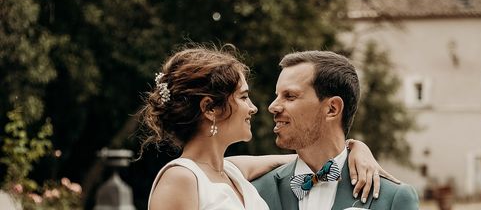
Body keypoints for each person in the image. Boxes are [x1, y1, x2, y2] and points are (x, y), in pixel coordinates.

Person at [140, 45, 392, 210]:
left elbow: (304, 159)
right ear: (210, 109)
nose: (254, 108)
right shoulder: (180, 178)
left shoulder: (232, 171)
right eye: (243, 97)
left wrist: (355, 148)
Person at [252, 50, 420, 209]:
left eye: (289, 96)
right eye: (277, 95)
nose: (273, 107)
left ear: (332, 108)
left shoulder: (392, 198)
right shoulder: (255, 191)